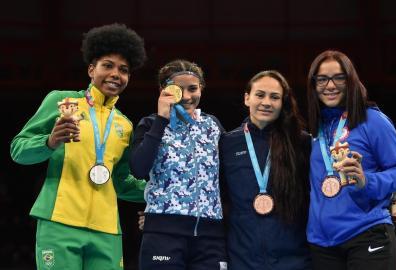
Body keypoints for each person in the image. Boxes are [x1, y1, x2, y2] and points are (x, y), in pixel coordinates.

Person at [10, 23, 147, 270]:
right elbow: (18, 150)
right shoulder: (61, 101)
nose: (116, 74)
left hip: (106, 229)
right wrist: (49, 142)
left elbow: (122, 181)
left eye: (124, 69)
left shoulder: (124, 126)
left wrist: (159, 192)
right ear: (91, 69)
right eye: (108, 65)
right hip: (60, 222)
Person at [306, 50, 396, 270]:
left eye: (338, 77)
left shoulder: (373, 120)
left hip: (366, 234)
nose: (330, 85)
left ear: (350, 80)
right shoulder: (317, 130)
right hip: (322, 245)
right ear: (313, 84)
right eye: (322, 79)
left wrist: (366, 181)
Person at [130, 59, 227, 270]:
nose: (186, 96)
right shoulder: (149, 124)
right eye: (178, 89)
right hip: (163, 236)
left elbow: (228, 176)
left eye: (193, 88)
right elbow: (138, 169)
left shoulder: (213, 126)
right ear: (163, 90)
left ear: (201, 88)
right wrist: (162, 119)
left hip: (210, 237)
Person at [220, 70, 312, 270]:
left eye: (275, 97)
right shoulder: (227, 143)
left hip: (294, 260)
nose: (267, 102)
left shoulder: (301, 142)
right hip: (243, 259)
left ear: (282, 103)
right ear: (247, 98)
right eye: (260, 95)